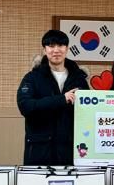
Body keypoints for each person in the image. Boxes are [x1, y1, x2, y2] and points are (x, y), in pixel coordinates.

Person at [17, 29, 89, 166]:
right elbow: (25, 106)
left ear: (67, 49)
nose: (56, 50)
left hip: (70, 150)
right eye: (51, 46)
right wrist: (61, 99)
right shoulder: (32, 77)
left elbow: (87, 111)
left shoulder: (79, 78)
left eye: (60, 45)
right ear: (44, 50)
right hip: (40, 150)